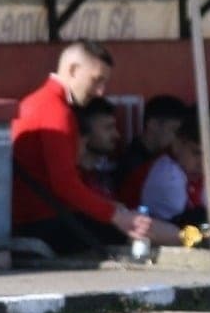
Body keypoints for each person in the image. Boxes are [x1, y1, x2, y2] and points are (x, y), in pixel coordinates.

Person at [11, 41, 176, 256]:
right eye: (96, 80)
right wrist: (115, 215)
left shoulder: (33, 102)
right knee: (149, 228)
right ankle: (205, 241)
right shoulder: (56, 112)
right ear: (72, 70)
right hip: (51, 222)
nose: (100, 91)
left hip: (35, 218)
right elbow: (65, 184)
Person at [128, 121, 206, 226]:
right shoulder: (166, 174)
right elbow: (183, 227)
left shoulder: (191, 174)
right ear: (177, 145)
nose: (202, 163)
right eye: (196, 153)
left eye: (209, 156)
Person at [116, 93, 188, 188]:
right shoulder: (132, 163)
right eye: (174, 130)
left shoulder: (166, 158)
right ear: (153, 124)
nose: (178, 139)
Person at [76, 95, 120, 198]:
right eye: (108, 128)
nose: (117, 134)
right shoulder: (74, 181)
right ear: (84, 132)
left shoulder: (100, 176)